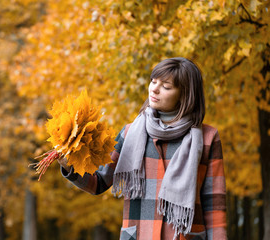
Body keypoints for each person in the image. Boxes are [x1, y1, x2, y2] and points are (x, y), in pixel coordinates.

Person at [58, 57, 227, 240]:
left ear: (185, 94)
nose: (154, 88)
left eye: (166, 86)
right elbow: (98, 182)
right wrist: (70, 167)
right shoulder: (130, 133)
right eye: (153, 81)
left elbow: (214, 203)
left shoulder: (208, 138)